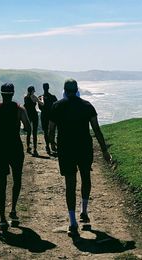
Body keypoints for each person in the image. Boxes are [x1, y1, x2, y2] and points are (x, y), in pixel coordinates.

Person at [49, 79, 112, 237]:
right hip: (84, 148)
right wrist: (104, 151)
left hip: (66, 149)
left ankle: (72, 222)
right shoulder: (87, 106)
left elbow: (50, 131)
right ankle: (84, 211)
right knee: (86, 177)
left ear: (64, 90)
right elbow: (97, 130)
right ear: (77, 90)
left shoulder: (57, 106)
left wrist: (52, 145)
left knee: (70, 183)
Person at [0, 83, 31, 232]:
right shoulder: (19, 109)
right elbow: (28, 128)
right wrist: (21, 126)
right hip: (15, 149)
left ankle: (2, 219)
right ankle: (13, 210)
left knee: (1, 185)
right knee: (17, 180)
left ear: (1, 94)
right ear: (12, 94)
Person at [24, 85, 43, 157]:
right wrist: (41, 99)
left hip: (28, 115)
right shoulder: (34, 97)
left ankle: (28, 147)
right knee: (34, 132)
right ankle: (35, 149)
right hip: (34, 115)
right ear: (32, 91)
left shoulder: (25, 97)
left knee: (29, 132)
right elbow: (42, 104)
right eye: (33, 91)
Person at [38, 83, 58, 154]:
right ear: (48, 88)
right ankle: (52, 145)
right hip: (52, 115)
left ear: (43, 88)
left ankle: (47, 146)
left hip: (44, 115)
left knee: (45, 131)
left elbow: (40, 108)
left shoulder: (40, 97)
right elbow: (56, 106)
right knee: (52, 131)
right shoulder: (53, 97)